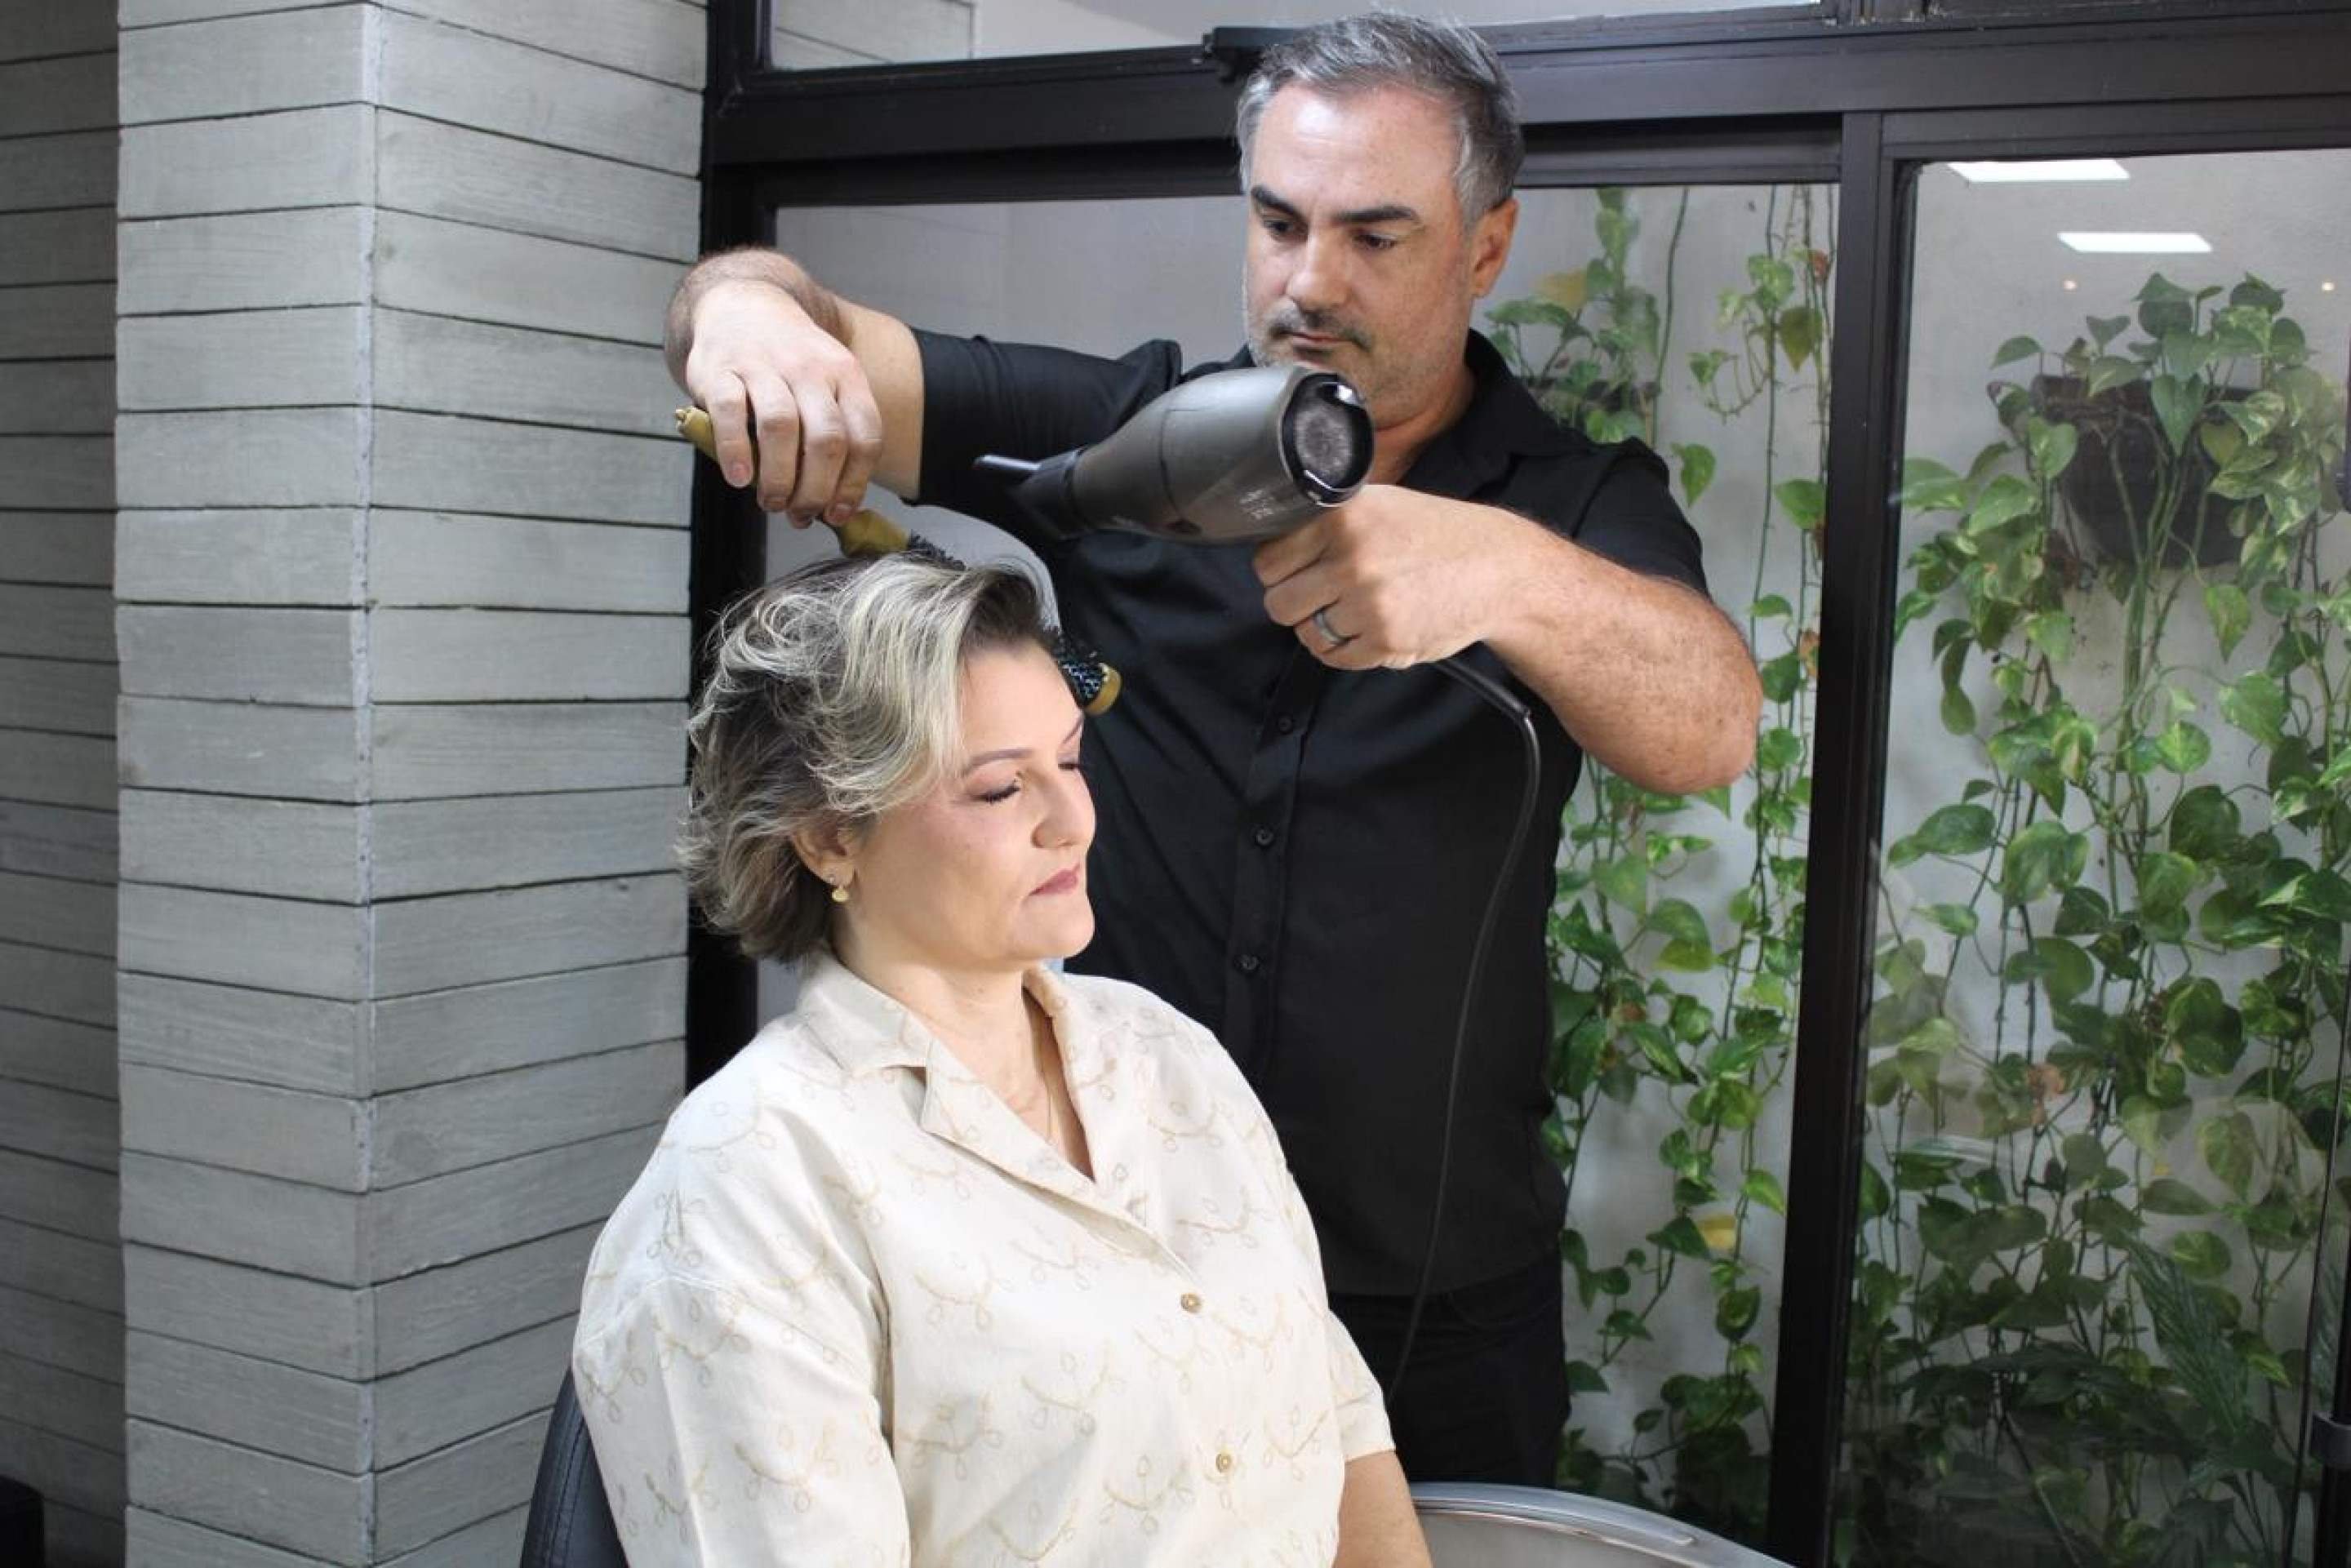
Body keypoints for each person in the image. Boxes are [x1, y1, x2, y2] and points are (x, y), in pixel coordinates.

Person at [663, 15, 1762, 1486]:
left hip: (1430, 1295)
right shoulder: (1134, 437)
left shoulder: (1571, 502)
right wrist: (746, 321)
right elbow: (778, 305)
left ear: (1484, 248)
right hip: (1118, 1259)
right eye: (1278, 220)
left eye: (1378, 236)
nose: (1312, 282)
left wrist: (1500, 573)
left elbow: (1709, 722)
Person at [574, 552, 1431, 1566]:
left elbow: (1335, 1416)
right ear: (828, 836)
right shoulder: (747, 1190)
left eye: (1069, 762)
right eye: (997, 790)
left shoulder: (1169, 1057)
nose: (1073, 820)